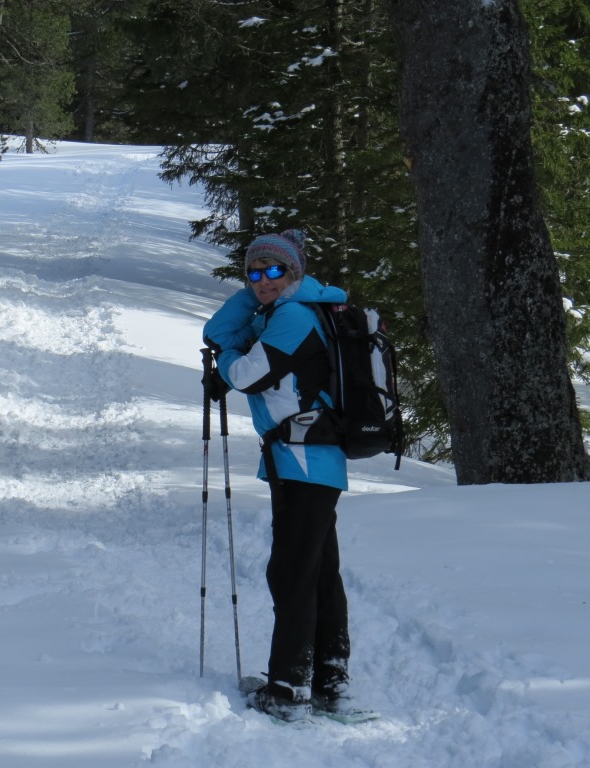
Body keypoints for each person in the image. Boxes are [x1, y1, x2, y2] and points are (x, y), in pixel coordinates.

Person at [203, 229, 353, 722]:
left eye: (273, 271)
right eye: (253, 272)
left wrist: (223, 365)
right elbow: (218, 332)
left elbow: (243, 372)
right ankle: (330, 681)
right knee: (318, 573)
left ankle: (288, 689)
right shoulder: (288, 311)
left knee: (291, 572)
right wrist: (247, 312)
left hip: (303, 460)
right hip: (306, 459)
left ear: (294, 272)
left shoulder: (290, 318)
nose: (262, 281)